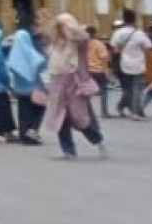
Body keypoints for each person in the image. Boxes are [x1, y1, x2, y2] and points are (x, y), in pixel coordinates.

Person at [42, 13, 107, 160]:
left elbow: (83, 37)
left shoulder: (78, 44)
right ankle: (68, 150)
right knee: (60, 119)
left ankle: (97, 139)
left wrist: (70, 26)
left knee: (80, 118)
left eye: (63, 26)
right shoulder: (56, 45)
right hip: (57, 83)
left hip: (74, 82)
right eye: (60, 27)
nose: (61, 29)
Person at [7, 21, 46, 145]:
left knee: (23, 113)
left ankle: (23, 134)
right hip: (34, 89)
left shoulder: (13, 55)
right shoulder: (32, 54)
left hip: (20, 90)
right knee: (39, 109)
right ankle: (33, 131)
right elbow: (41, 68)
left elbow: (10, 69)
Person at [110, 12, 152, 119]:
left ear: (124, 20)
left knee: (127, 88)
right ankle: (135, 111)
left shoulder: (118, 32)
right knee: (137, 88)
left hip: (123, 63)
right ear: (134, 20)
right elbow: (148, 47)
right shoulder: (139, 33)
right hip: (138, 63)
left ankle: (122, 106)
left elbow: (114, 49)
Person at [86, 26, 111, 119]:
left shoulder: (84, 44)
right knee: (103, 91)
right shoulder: (99, 44)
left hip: (88, 70)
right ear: (95, 33)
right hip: (99, 70)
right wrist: (106, 71)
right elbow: (104, 58)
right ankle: (104, 111)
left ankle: (87, 111)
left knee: (88, 92)